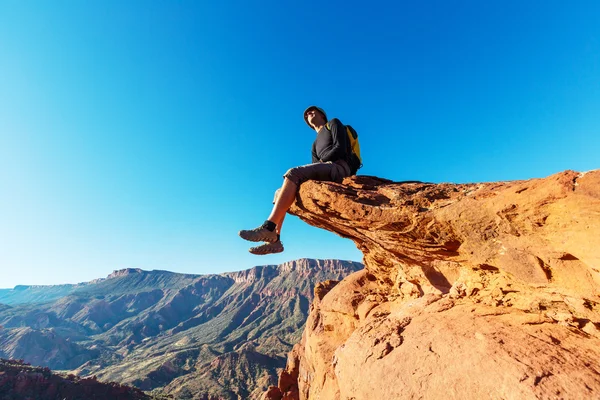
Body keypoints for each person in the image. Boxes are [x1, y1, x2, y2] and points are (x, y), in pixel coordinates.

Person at [239, 106, 358, 255]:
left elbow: (340, 148)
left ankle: (268, 227)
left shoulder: (333, 124)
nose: (308, 114)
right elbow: (316, 165)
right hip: (326, 170)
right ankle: (275, 239)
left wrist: (322, 161)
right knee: (279, 192)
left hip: (340, 168)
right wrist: (320, 163)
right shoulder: (315, 144)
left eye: (312, 111)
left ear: (322, 115)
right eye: (306, 114)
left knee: (293, 173)